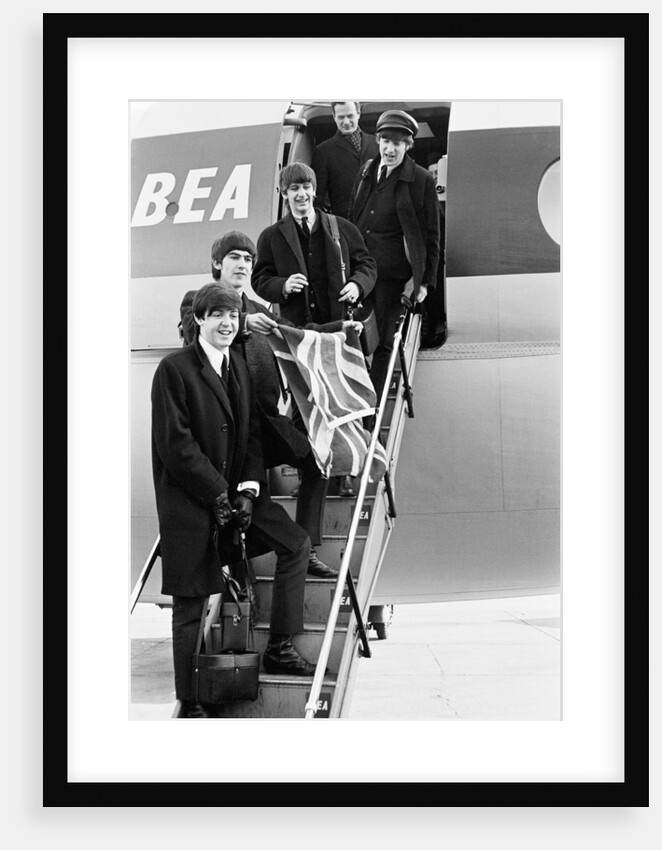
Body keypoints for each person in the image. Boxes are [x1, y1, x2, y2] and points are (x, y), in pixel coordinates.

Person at [151, 282, 319, 718]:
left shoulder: (238, 367)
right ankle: (190, 700)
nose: (227, 323)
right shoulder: (174, 370)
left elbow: (250, 436)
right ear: (199, 320)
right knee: (190, 607)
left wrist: (247, 490)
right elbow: (176, 445)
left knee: (296, 543)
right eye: (217, 315)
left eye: (232, 315)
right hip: (192, 503)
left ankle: (280, 645)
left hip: (235, 497)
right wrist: (218, 493)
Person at [179, 231, 339, 579]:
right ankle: (238, 574)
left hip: (265, 419)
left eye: (248, 259)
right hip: (227, 425)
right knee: (240, 500)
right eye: (234, 257)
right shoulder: (197, 301)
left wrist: (341, 329)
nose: (243, 264)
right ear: (217, 263)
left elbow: (300, 333)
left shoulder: (260, 310)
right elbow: (193, 339)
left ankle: (307, 547)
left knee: (316, 460)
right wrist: (239, 324)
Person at [252, 162, 377, 496]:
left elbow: (367, 264)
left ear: (314, 190)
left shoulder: (341, 227)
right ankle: (311, 472)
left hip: (338, 333)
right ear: (284, 193)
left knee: (345, 400)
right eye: (294, 188)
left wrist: (357, 285)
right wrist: (282, 285)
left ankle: (347, 471)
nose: (301, 194)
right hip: (299, 336)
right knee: (304, 404)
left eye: (306, 187)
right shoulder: (271, 236)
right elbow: (260, 279)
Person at [349, 109, 441, 404]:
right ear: (378, 140)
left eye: (397, 144)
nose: (390, 149)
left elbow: (431, 236)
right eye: (385, 141)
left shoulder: (421, 180)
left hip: (393, 275)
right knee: (357, 336)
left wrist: (424, 281)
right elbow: (353, 218)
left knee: (386, 341)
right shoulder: (366, 172)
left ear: (408, 145)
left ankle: (371, 409)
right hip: (361, 272)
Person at [311, 101, 379, 219]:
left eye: (350, 116)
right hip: (345, 223)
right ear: (334, 117)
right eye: (341, 117)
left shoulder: (378, 144)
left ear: (358, 113)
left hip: (379, 220)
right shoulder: (323, 151)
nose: (346, 122)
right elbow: (317, 198)